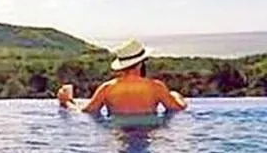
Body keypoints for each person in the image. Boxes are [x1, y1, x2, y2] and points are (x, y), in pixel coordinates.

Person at [57, 39, 188, 117]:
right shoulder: (156, 87)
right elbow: (177, 108)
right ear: (141, 62)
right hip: (148, 130)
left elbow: (86, 111)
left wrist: (67, 101)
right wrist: (176, 96)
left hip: (118, 132)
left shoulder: (107, 88)